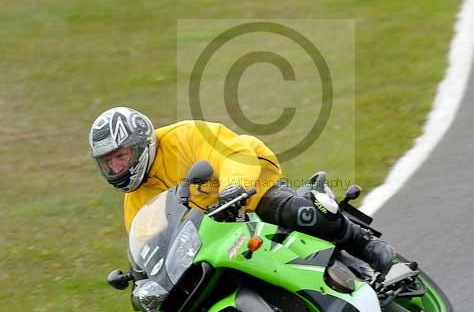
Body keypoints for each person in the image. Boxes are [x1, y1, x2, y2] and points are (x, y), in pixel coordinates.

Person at [88, 106, 394, 273]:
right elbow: (147, 243)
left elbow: (231, 154)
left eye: (121, 156)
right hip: (212, 234)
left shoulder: (183, 136)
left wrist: (235, 187)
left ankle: (365, 244)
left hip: (248, 188)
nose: (116, 167)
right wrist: (143, 276)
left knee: (297, 212)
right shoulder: (135, 201)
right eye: (109, 162)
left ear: (141, 145)